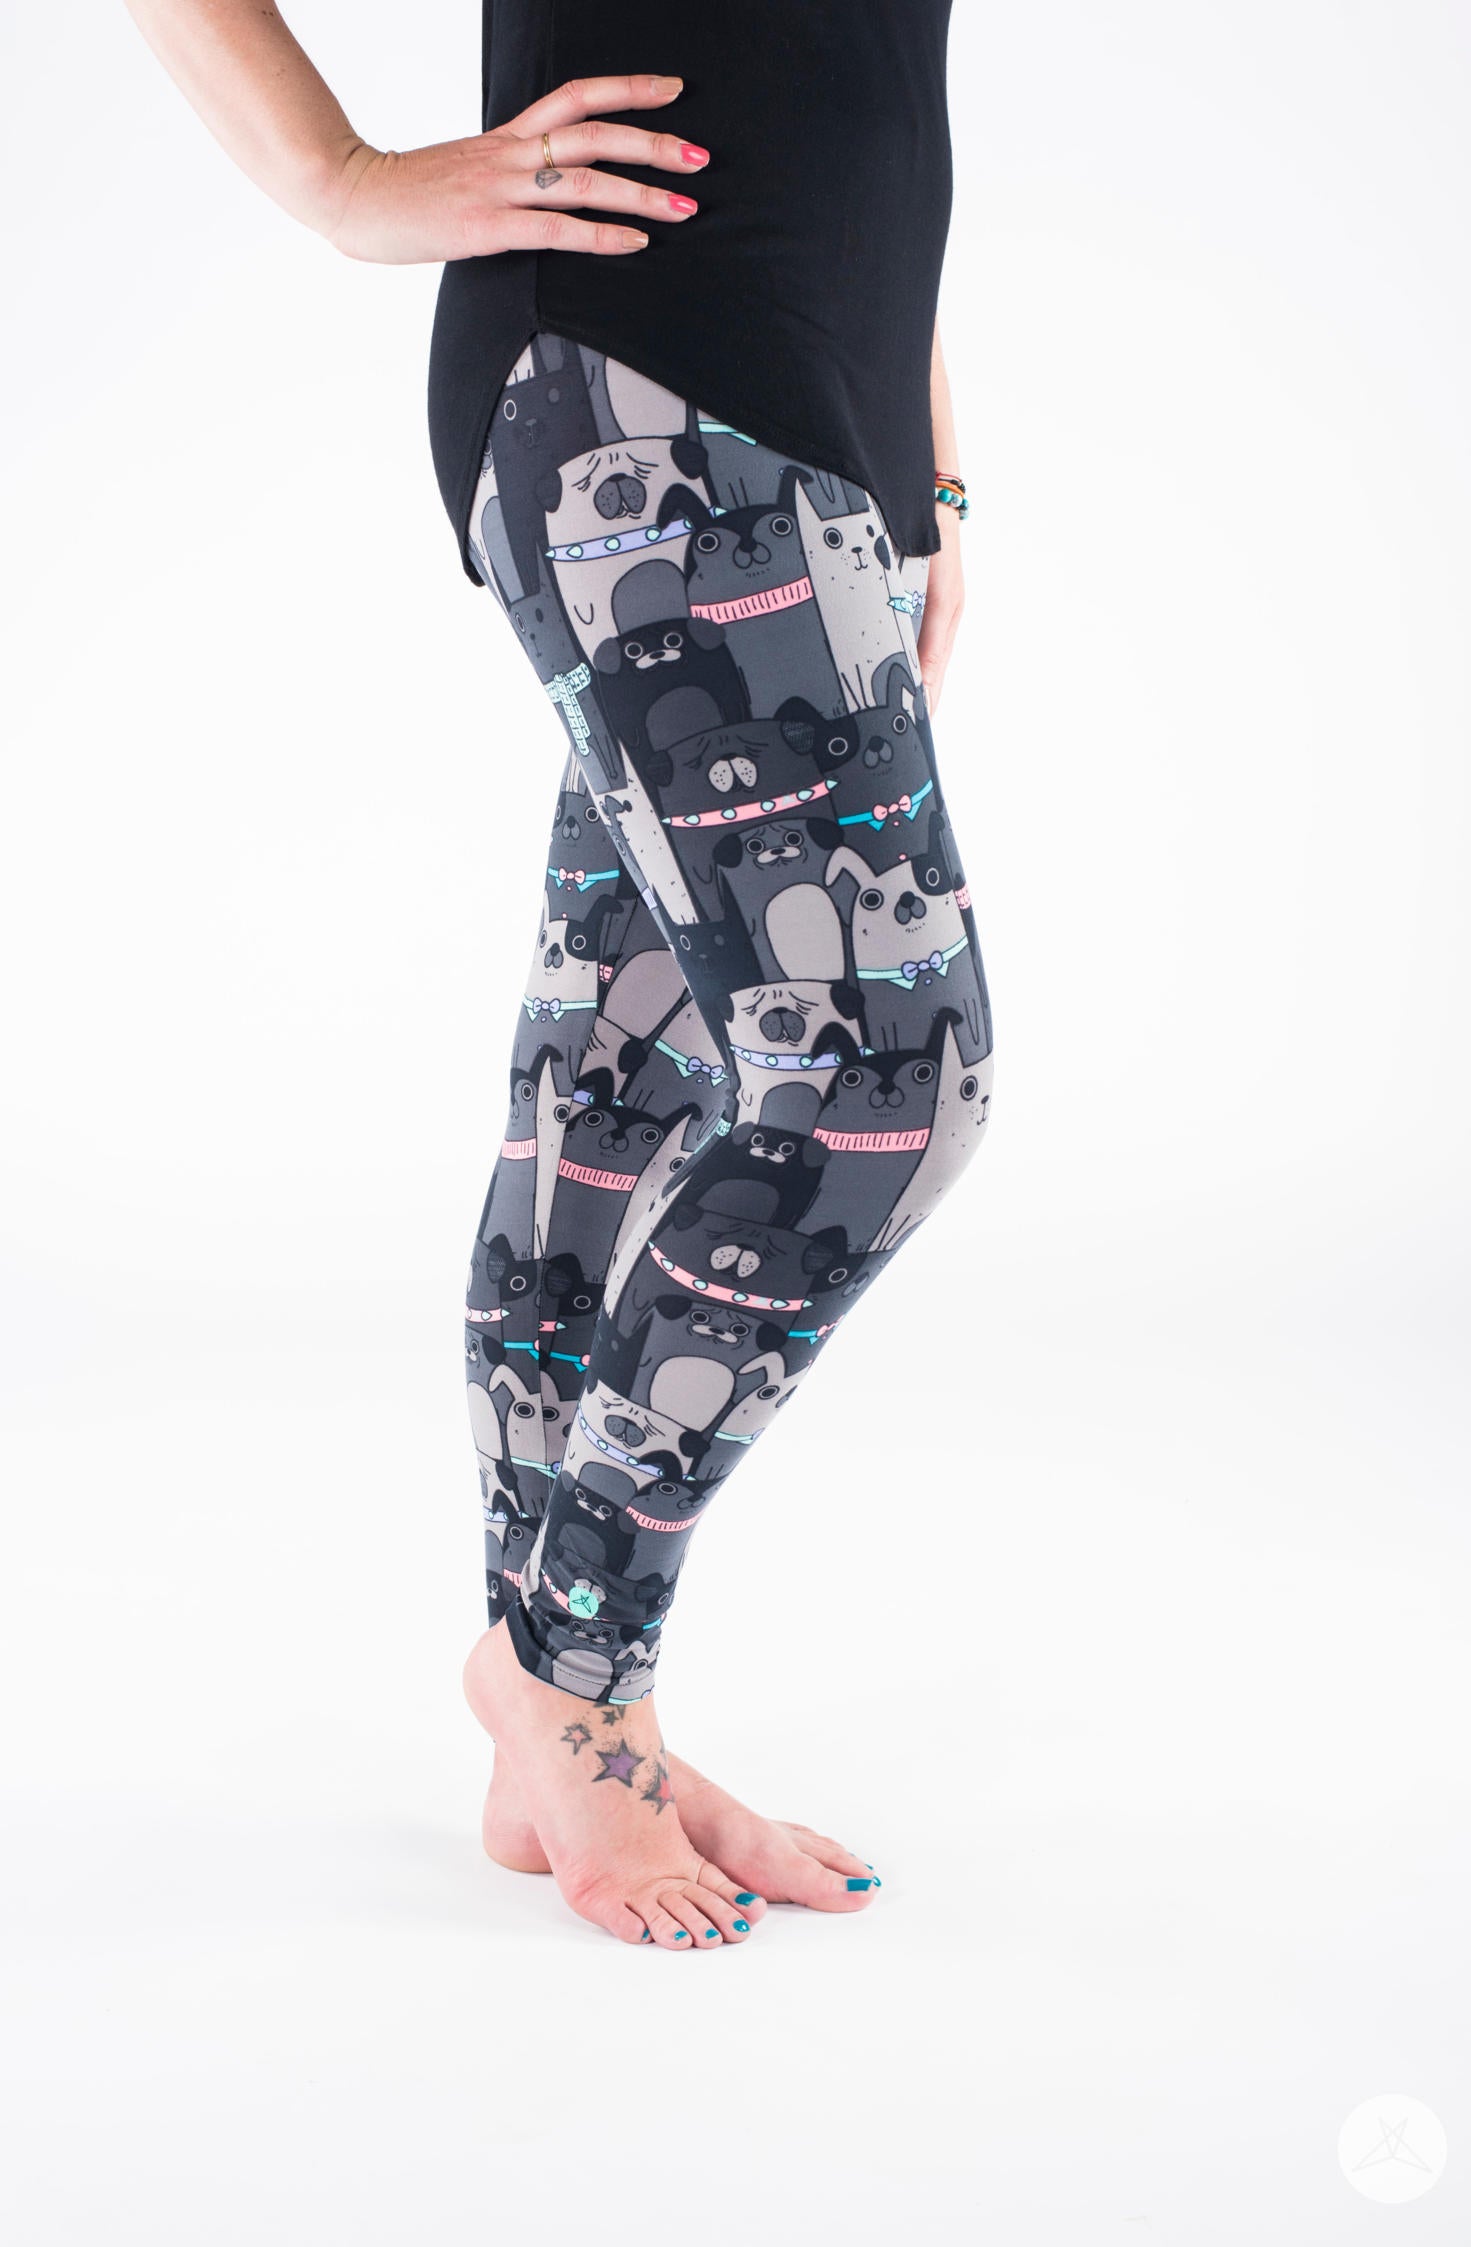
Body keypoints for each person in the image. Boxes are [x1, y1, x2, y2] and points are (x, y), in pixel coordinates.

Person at [126, 0, 991, 1952]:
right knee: (885, 1072)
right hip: (643, 377)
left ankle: (572, 1737)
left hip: (815, 406)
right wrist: (340, 181)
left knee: (618, 1077)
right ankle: (566, 1675)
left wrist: (925, 466)